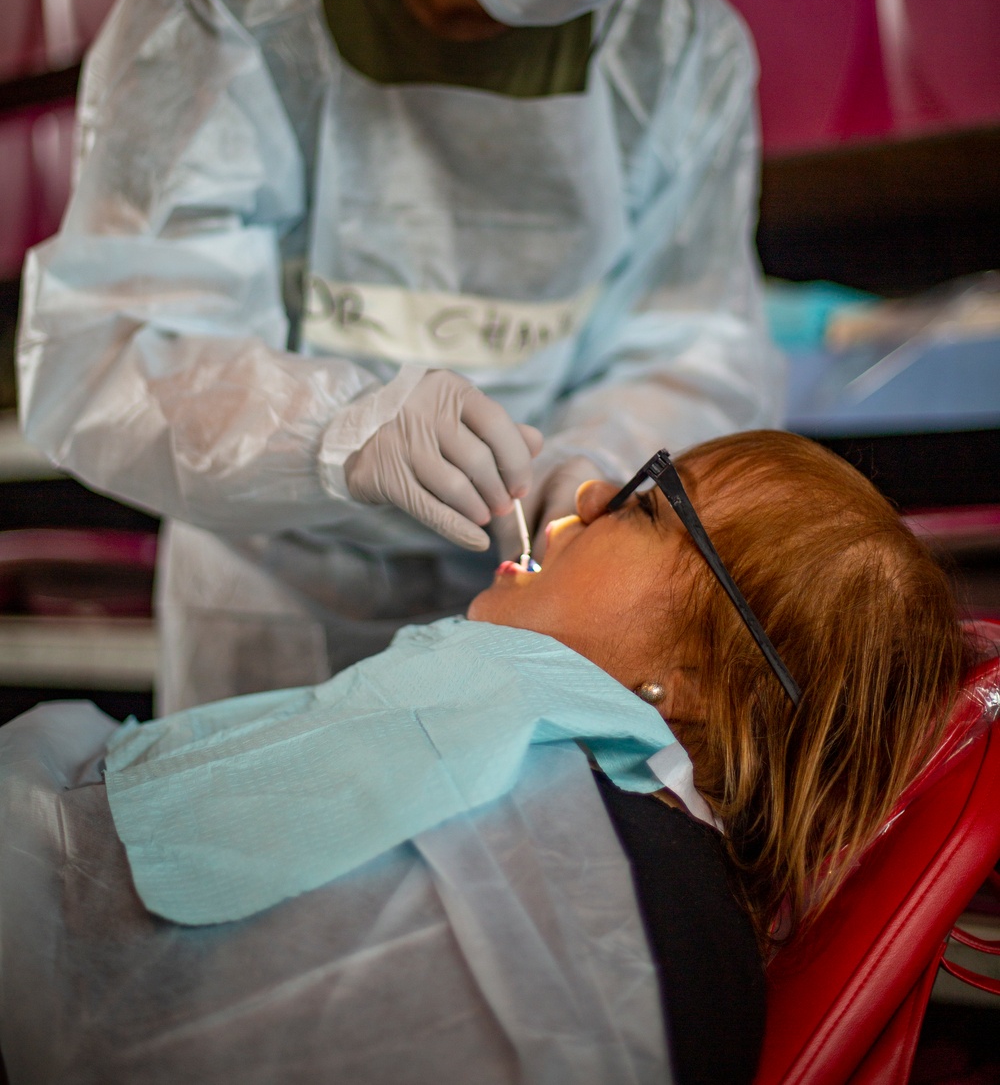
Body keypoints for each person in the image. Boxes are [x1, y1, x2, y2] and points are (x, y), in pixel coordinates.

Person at [17, 0, 783, 713]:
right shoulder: (227, 1)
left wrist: (596, 459)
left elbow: (696, 343)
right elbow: (112, 354)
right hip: (279, 616)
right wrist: (337, 435)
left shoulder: (684, 54)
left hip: (534, 616)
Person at [0, 432, 970, 1085]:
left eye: (644, 504)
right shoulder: (626, 864)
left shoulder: (613, 918)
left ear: (709, 676)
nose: (589, 491)